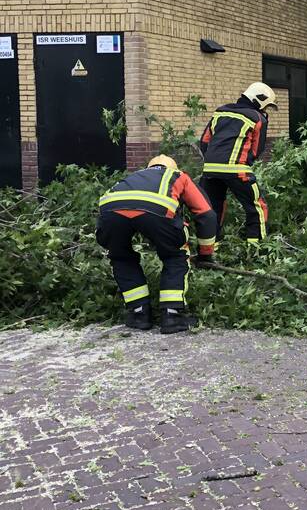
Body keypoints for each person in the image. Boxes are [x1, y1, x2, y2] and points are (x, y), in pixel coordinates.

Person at [96, 155, 217, 334]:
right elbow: (206, 214)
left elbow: (132, 211)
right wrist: (205, 254)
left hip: (109, 212)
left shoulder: (134, 176)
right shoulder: (178, 176)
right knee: (175, 255)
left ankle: (139, 314)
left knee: (121, 257)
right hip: (157, 210)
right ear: (173, 167)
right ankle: (172, 315)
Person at [198, 82, 276, 243]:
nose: (265, 110)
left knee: (212, 208)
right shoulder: (257, 118)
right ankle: (255, 246)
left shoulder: (220, 111)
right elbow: (257, 149)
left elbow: (204, 141)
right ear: (259, 100)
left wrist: (213, 160)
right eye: (266, 106)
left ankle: (210, 247)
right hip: (237, 169)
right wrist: (245, 162)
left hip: (210, 169)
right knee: (256, 206)